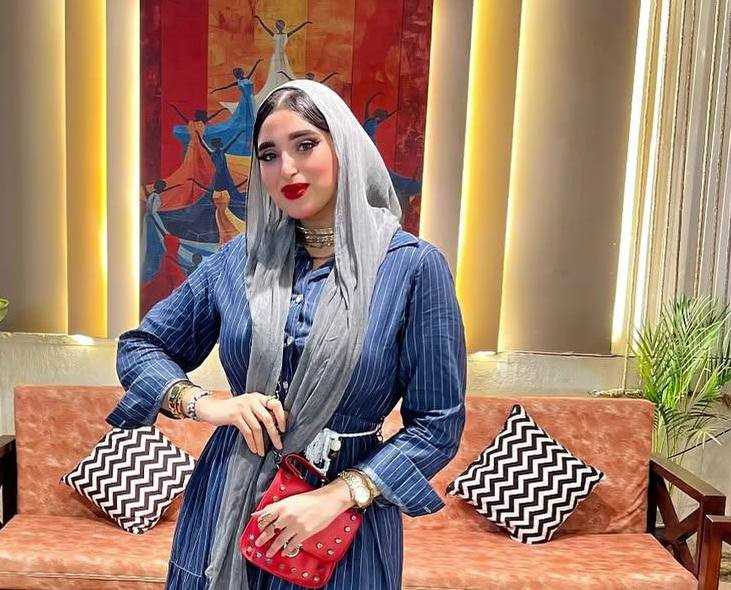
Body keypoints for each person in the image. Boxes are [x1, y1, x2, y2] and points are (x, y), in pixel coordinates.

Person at [107, 79, 466, 590]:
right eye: (269, 155)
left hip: (341, 526)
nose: (287, 169)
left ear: (343, 146)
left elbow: (437, 424)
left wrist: (338, 495)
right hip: (226, 503)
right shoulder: (239, 261)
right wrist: (205, 404)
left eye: (305, 145)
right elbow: (141, 348)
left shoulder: (411, 268)